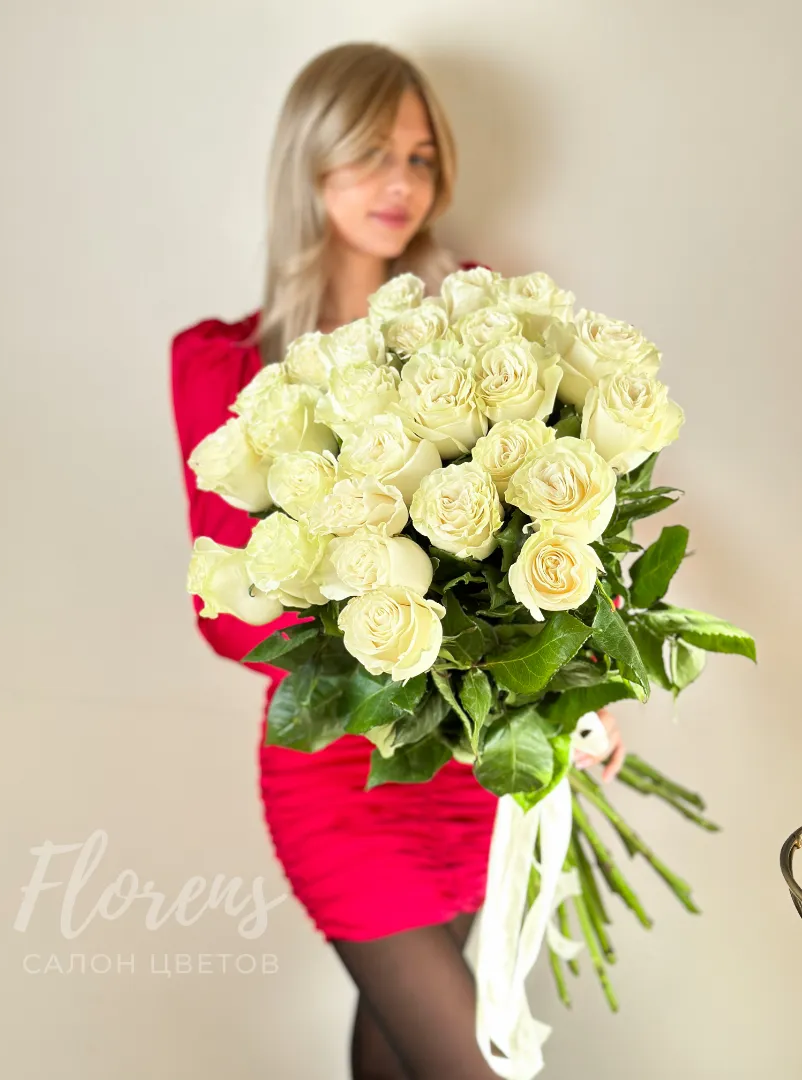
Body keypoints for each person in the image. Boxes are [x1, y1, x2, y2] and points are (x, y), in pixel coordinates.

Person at [170, 41, 625, 1080]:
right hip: (340, 775)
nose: (401, 184)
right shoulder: (224, 364)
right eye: (373, 152)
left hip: (474, 767)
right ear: (310, 160)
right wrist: (382, 601)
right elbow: (228, 619)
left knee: (397, 1057)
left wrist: (578, 681)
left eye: (421, 158)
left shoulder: (476, 327)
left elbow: (559, 531)